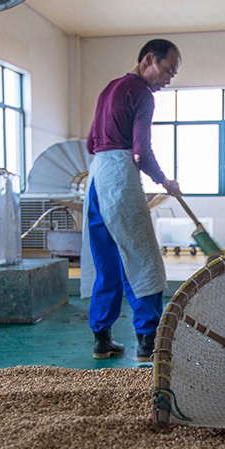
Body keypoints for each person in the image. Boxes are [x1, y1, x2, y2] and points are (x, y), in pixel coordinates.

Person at [81, 39, 183, 363]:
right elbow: (141, 151)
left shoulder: (109, 89)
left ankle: (101, 340)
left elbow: (90, 143)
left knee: (108, 262)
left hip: (96, 180)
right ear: (149, 59)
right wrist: (165, 181)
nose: (168, 80)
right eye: (168, 71)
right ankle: (147, 341)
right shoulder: (141, 93)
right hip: (119, 180)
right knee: (144, 259)